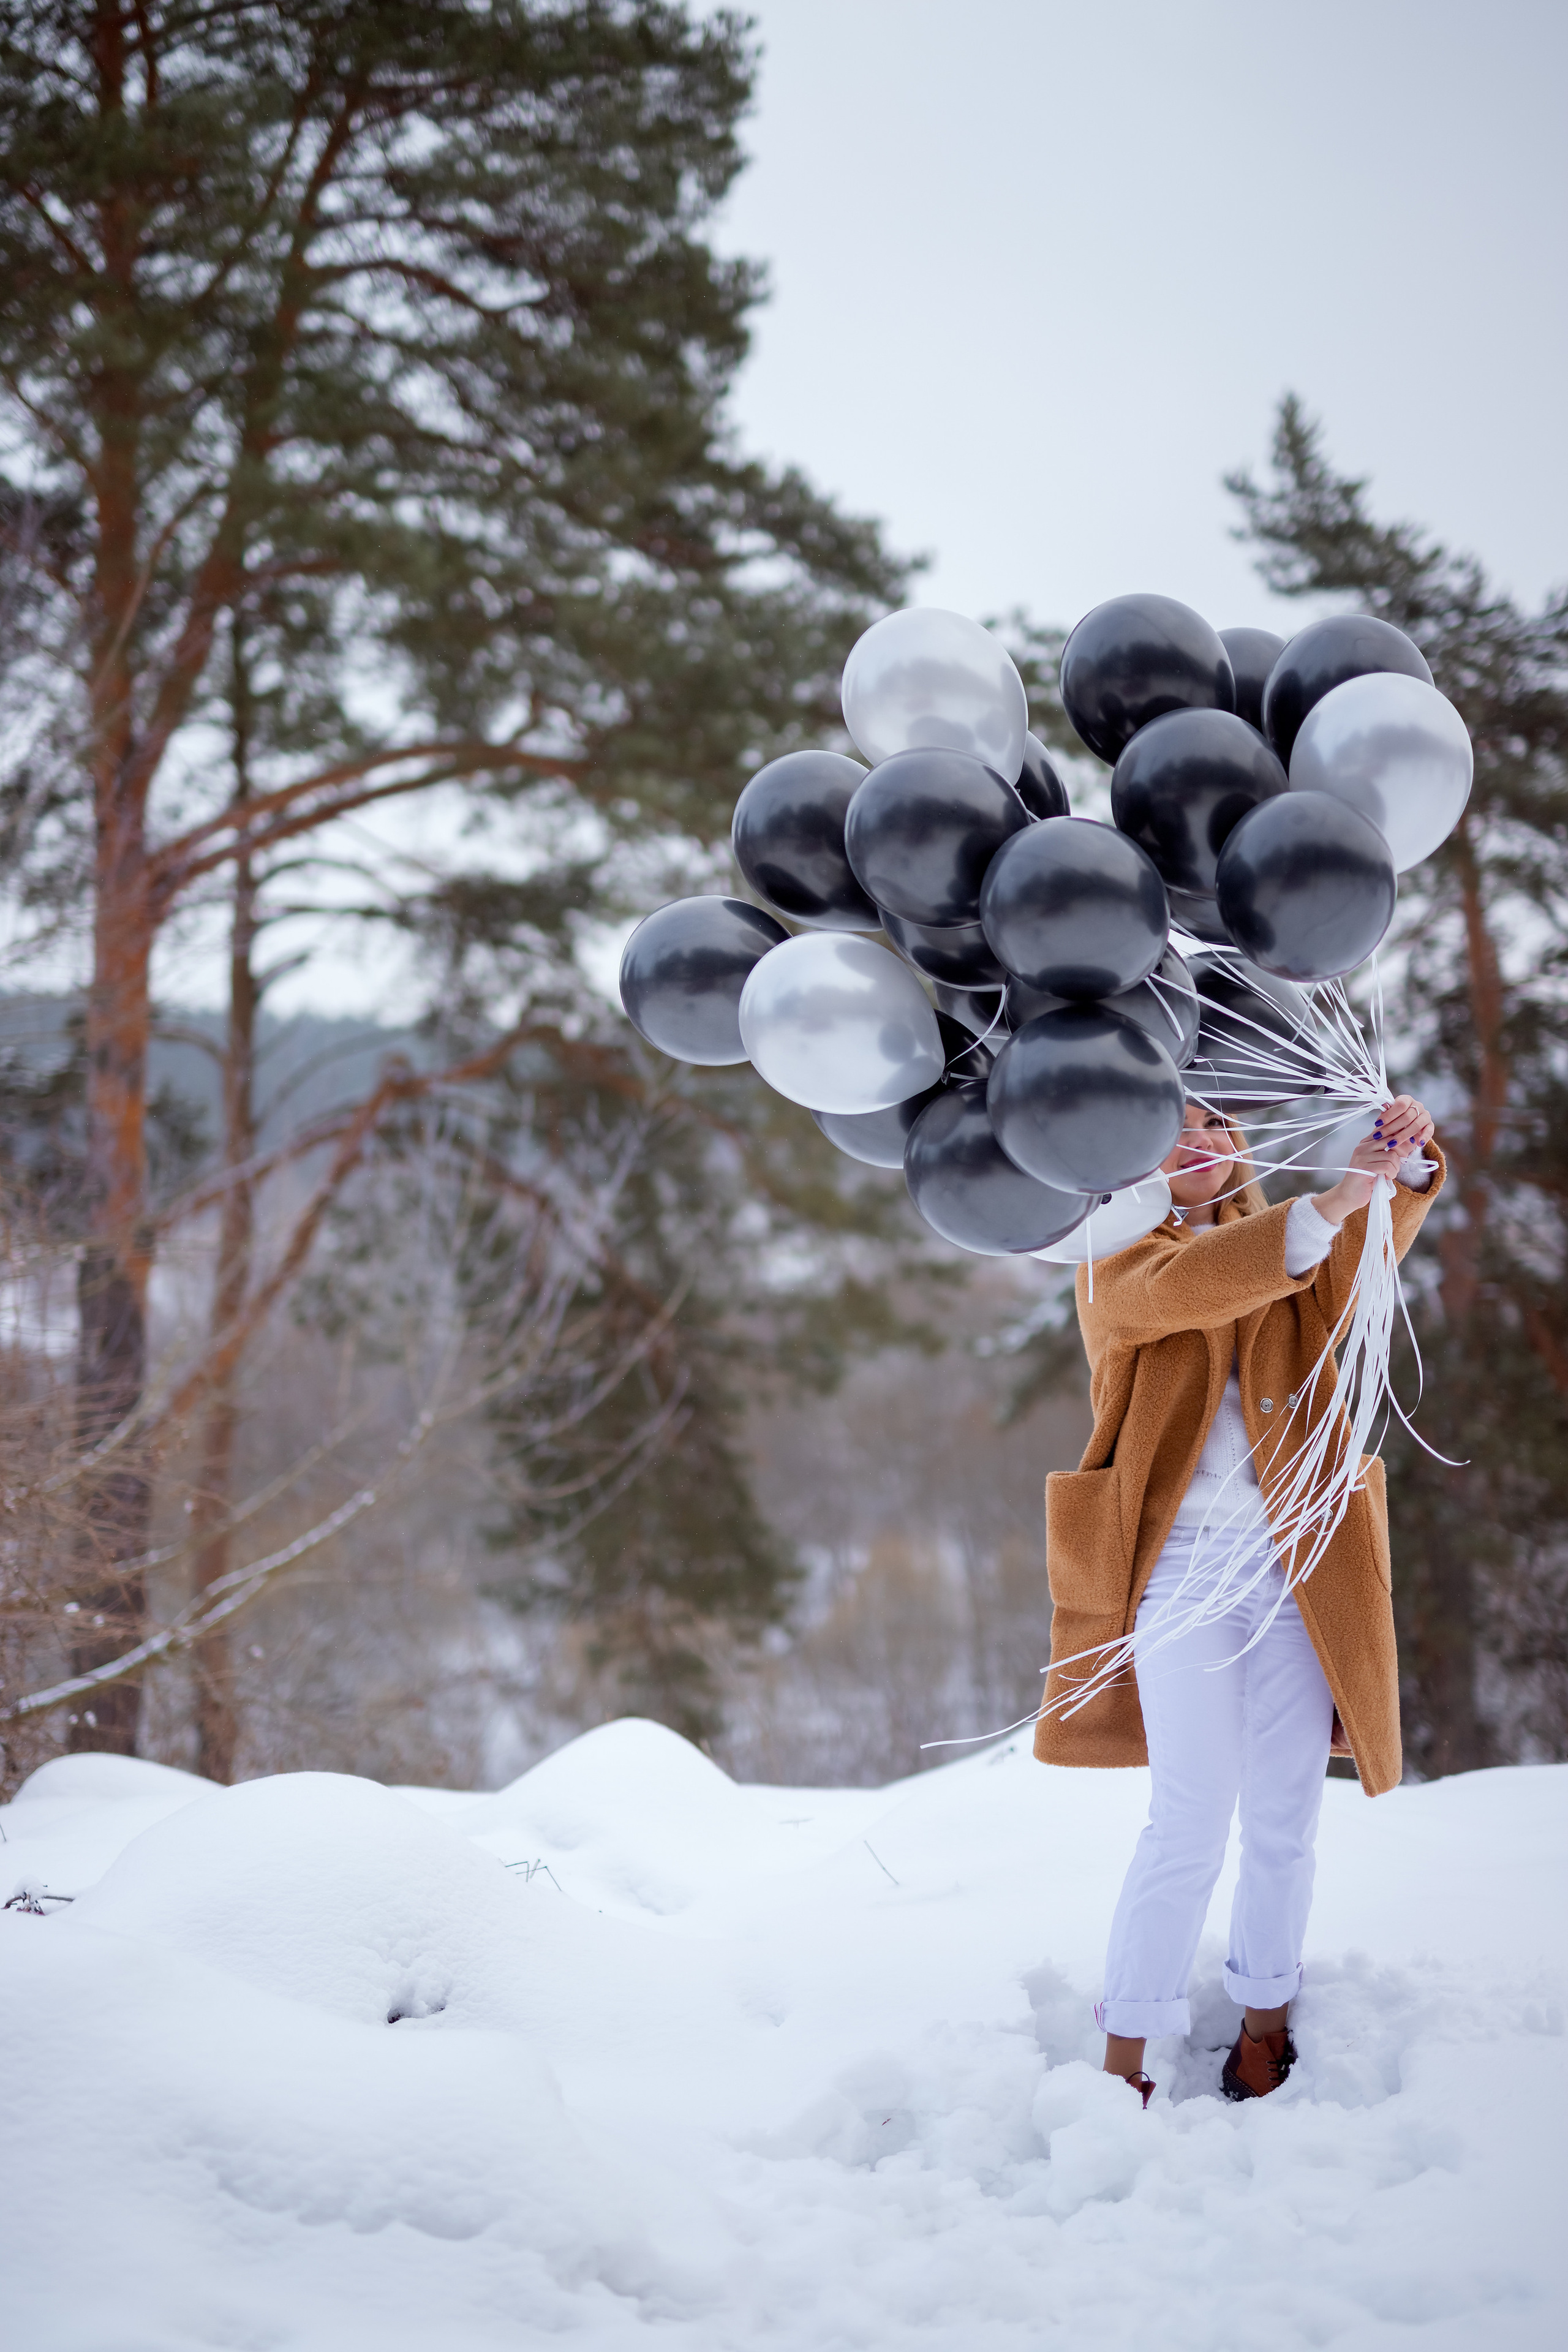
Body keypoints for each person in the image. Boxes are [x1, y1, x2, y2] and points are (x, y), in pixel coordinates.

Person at [1033, 1092, 1441, 2106]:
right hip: (1179, 1569)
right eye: (1171, 1125)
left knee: (1287, 1812)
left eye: (1216, 1124)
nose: (1199, 1142)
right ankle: (1125, 2053)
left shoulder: (1294, 1245)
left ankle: (1267, 2024)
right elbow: (1195, 1286)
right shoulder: (1112, 1262)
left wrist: (1405, 1171)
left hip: (1297, 1560)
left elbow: (1355, 1267)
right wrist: (1333, 1202)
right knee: (1189, 1814)